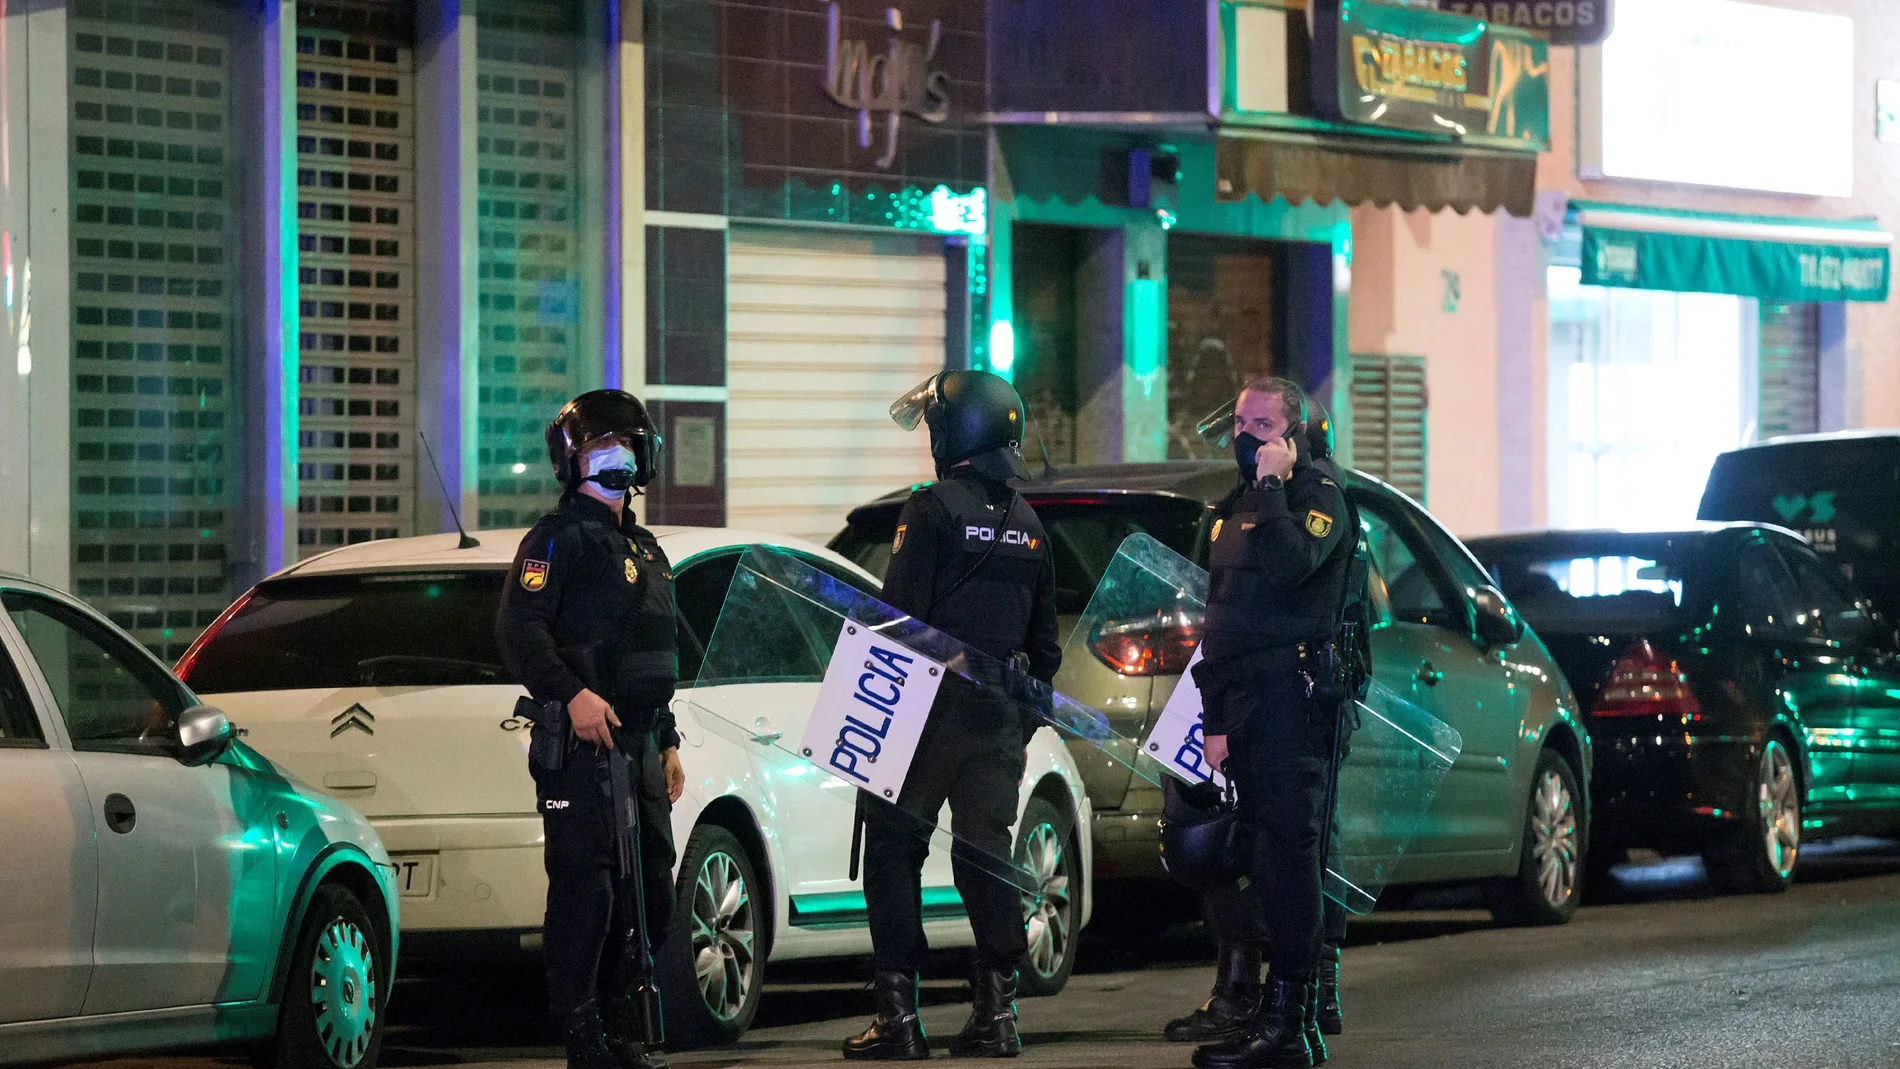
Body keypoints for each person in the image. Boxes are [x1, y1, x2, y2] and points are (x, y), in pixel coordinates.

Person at [843, 370, 1063, 1061]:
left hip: (923, 716)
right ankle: (997, 1013)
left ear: (955, 432)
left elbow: (898, 622)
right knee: (985, 858)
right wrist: (1011, 725)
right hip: (996, 721)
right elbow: (1046, 652)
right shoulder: (1031, 527)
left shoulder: (929, 509)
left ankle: (899, 1017)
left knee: (891, 851)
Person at [497, 390, 687, 1069]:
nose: (615, 457)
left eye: (626, 444)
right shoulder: (555, 538)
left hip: (638, 747)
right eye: (599, 445)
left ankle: (617, 1018)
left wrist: (666, 736)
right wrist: (571, 694)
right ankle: (582, 1033)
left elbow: (649, 648)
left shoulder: (643, 546)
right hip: (582, 746)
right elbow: (520, 633)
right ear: (571, 460)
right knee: (589, 891)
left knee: (653, 893)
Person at [1162, 405, 1355, 1061]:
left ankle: (1294, 1016)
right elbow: (1221, 613)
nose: (1245, 432)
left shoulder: (1317, 497)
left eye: (1261, 420)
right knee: (1263, 857)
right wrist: (1214, 715)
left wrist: (1274, 487)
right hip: (1244, 701)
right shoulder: (1235, 504)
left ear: (1294, 432)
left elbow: (1290, 567)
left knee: (1291, 856)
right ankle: (1271, 1012)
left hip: (1291, 702)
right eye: (1239, 419)